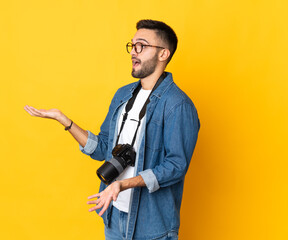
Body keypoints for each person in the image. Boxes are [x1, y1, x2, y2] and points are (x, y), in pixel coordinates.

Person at [24, 19, 200, 240]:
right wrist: (65, 121)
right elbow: (103, 148)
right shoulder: (123, 95)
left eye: (141, 46)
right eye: (132, 45)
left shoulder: (177, 105)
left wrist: (122, 184)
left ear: (163, 54)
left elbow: (176, 166)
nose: (133, 52)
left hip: (152, 226)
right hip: (114, 216)